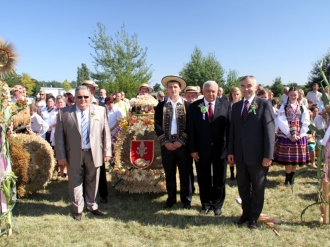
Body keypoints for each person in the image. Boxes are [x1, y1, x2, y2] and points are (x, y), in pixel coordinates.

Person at [55, 86, 111, 221]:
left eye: (86, 97)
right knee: (75, 182)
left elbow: (106, 133)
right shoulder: (64, 113)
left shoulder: (100, 110)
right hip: (73, 153)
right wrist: (61, 156)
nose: (83, 100)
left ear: (90, 97)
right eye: (79, 97)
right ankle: (77, 209)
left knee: (93, 180)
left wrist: (107, 151)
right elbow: (59, 136)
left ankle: (92, 205)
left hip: (94, 153)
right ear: (75, 98)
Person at [227, 75, 275, 230]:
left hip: (258, 156)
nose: (245, 89)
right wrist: (231, 151)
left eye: (249, 85)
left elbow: (269, 132)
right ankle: (246, 213)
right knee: (243, 186)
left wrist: (268, 155)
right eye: (243, 86)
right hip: (240, 155)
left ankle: (254, 217)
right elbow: (232, 132)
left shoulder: (264, 104)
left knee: (257, 187)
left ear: (256, 87)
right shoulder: (236, 106)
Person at [188, 81, 230, 216]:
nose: (211, 94)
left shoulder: (226, 105)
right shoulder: (194, 107)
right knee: (203, 178)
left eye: (213, 91)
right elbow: (191, 130)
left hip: (221, 150)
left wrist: (230, 149)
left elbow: (230, 129)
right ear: (203, 92)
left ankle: (217, 205)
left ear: (218, 91)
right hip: (201, 150)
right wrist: (193, 149)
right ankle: (205, 204)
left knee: (219, 179)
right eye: (208, 91)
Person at [154, 75, 192, 209]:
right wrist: (166, 142)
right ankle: (171, 199)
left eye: (175, 87)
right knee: (169, 173)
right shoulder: (160, 106)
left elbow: (191, 125)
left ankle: (186, 200)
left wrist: (181, 141)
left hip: (183, 145)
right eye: (170, 87)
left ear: (180, 89)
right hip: (167, 145)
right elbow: (157, 125)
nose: (173, 89)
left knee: (185, 173)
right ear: (167, 89)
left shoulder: (187, 105)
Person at [276, 86, 310, 186]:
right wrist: (288, 134)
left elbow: (306, 121)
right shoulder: (284, 107)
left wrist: (302, 133)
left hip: (299, 134)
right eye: (291, 95)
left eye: (295, 95)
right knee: (288, 159)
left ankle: (293, 178)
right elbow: (281, 120)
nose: (293, 96)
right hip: (287, 135)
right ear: (288, 95)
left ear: (298, 95)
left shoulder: (302, 107)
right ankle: (287, 179)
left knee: (295, 159)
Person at [49, 95, 67, 179]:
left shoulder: (67, 112)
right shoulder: (53, 112)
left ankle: (65, 170)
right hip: (55, 134)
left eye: (61, 102)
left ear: (64, 102)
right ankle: (58, 170)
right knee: (56, 152)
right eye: (58, 102)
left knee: (66, 152)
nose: (59, 104)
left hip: (65, 134)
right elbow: (50, 123)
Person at [228, 87, 242, 180]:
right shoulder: (228, 105)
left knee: (238, 153)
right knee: (230, 153)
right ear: (231, 95)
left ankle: (238, 173)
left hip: (239, 132)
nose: (235, 96)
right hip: (230, 131)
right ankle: (232, 173)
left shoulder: (242, 105)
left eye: (237, 94)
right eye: (234, 94)